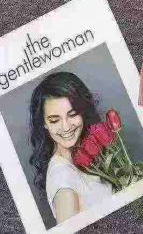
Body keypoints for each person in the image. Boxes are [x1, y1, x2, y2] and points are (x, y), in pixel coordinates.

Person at [29, 71, 114, 223]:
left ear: (83, 112)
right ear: (44, 124)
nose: (66, 127)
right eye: (54, 120)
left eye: (72, 114)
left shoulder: (86, 156)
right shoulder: (63, 180)